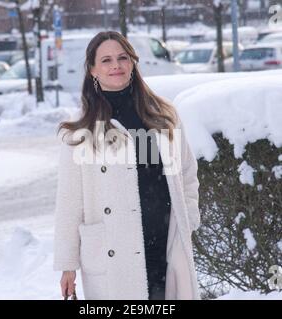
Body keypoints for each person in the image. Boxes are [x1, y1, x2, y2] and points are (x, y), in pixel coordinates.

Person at [53, 30, 201, 300]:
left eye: (122, 58)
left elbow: (187, 173)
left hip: (165, 243)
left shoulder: (163, 115)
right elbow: (69, 202)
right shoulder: (79, 130)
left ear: (133, 63)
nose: (116, 66)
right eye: (106, 60)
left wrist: (186, 220)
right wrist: (67, 265)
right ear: (93, 70)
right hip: (114, 250)